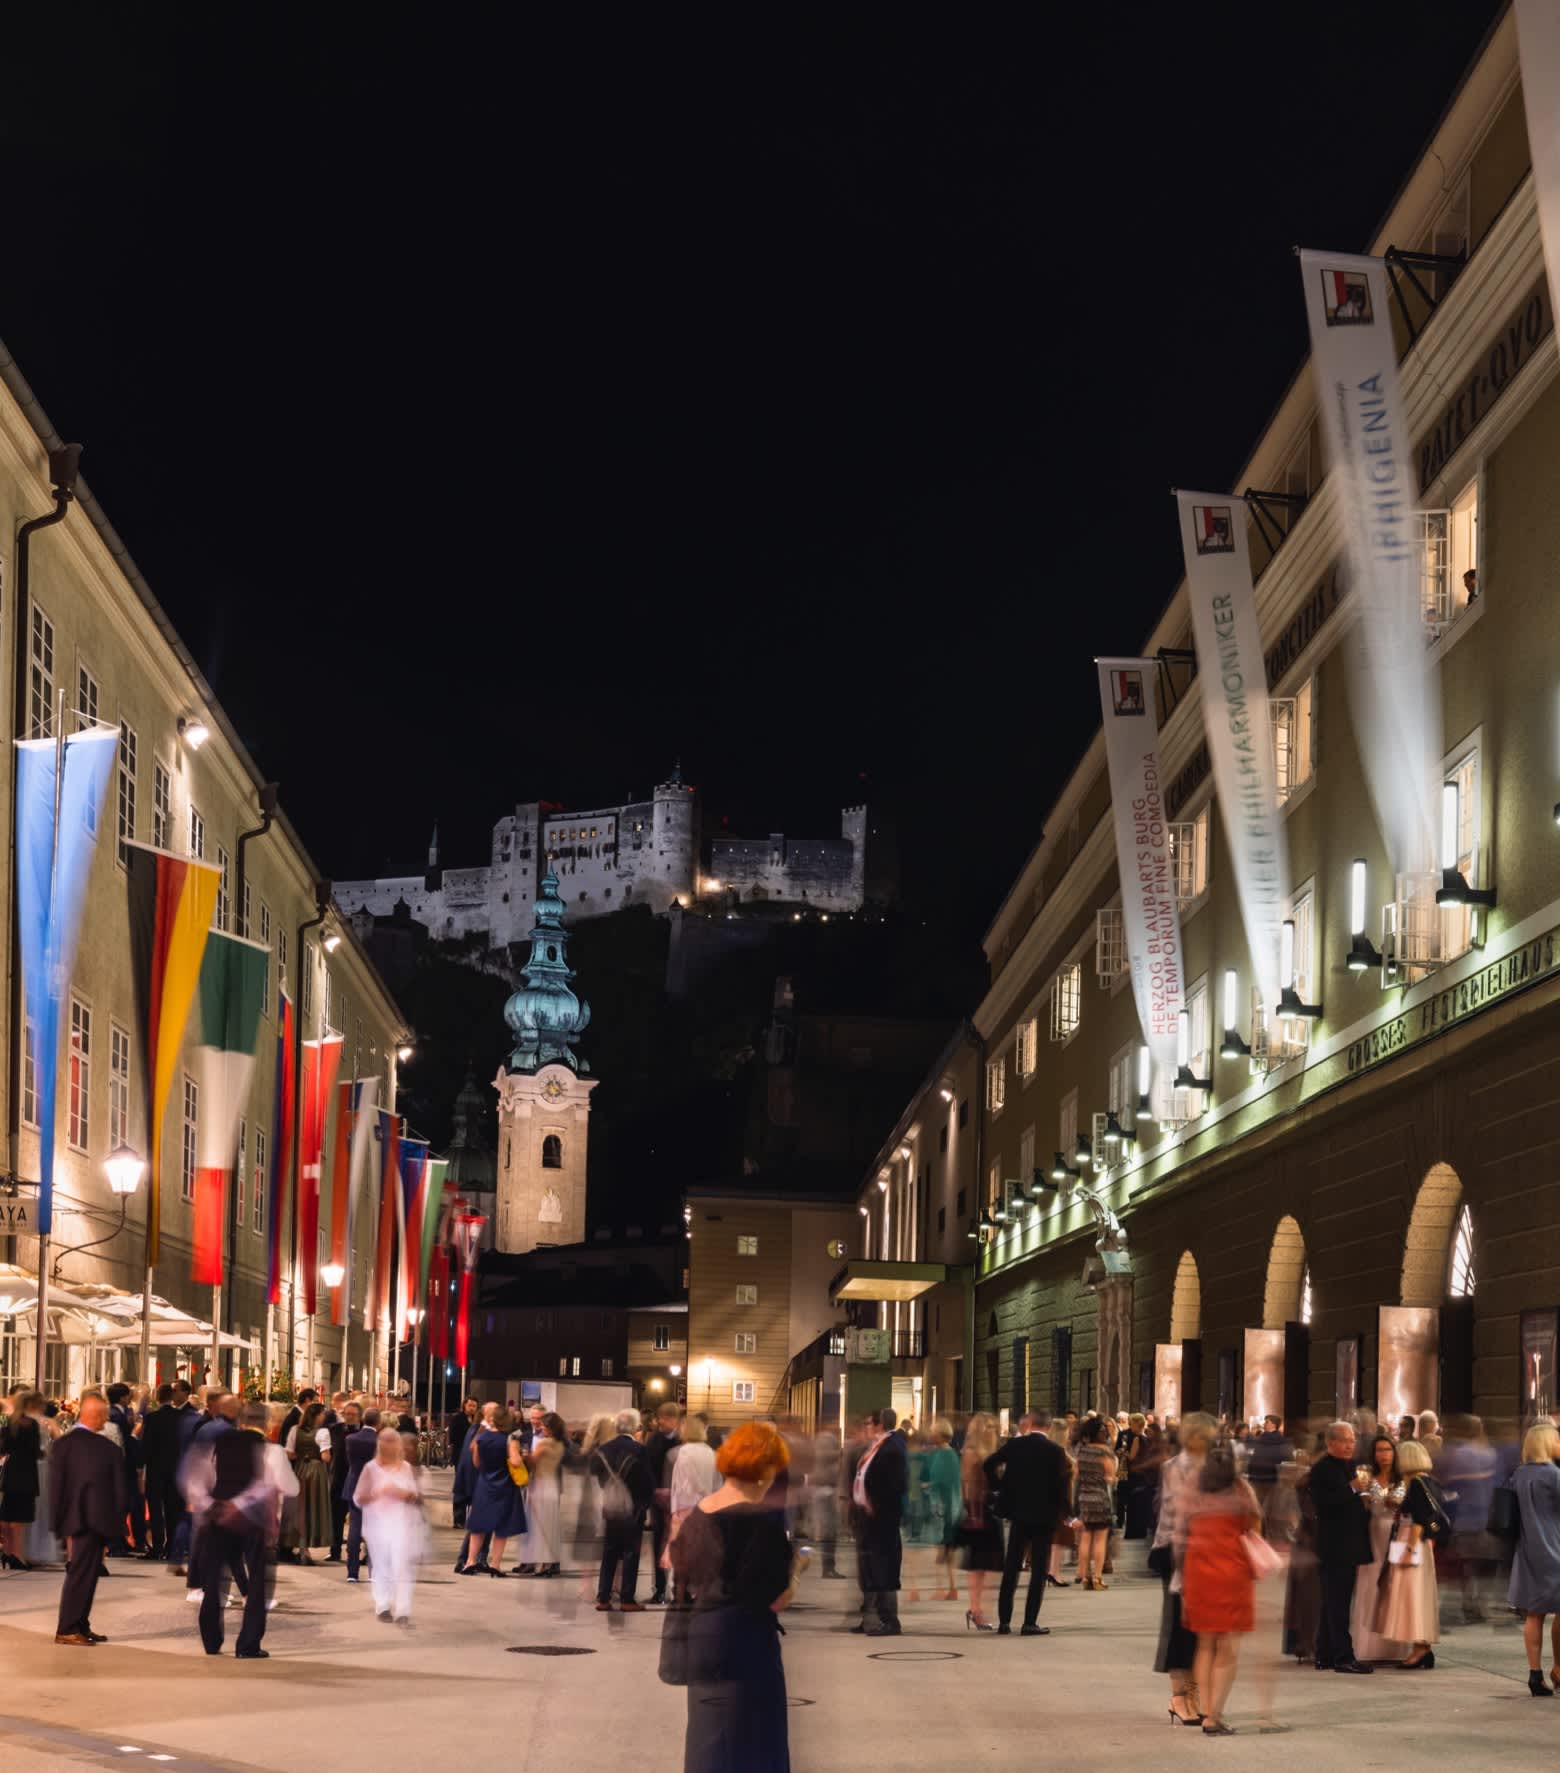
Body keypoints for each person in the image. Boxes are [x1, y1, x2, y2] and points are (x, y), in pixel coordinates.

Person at [671, 1420, 796, 1773]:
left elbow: (681, 1567)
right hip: (746, 1643)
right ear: (762, 1471)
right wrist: (796, 1571)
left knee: (709, 1738)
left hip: (703, 1636)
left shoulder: (702, 1510)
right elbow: (773, 1598)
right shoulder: (761, 1522)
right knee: (754, 1740)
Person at [184, 1402, 283, 1658]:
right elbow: (272, 1485)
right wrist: (238, 1504)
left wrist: (211, 1504)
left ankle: (211, 1641)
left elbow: (196, 1477)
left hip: (217, 1518)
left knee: (214, 1579)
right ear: (266, 1423)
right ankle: (247, 1645)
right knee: (258, 1580)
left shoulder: (221, 1442)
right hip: (252, 1521)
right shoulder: (267, 1449)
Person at [1181, 1444, 1262, 1736]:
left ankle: (1204, 1710)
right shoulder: (1242, 1490)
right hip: (1232, 1571)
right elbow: (1254, 1531)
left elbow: (1181, 1530)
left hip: (1198, 1570)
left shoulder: (1193, 1490)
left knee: (1204, 1645)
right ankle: (1215, 1715)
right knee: (1228, 1649)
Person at [982, 1407, 1068, 1636]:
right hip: (1044, 1516)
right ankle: (1030, 1622)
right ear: (1048, 1426)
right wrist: (1066, 1513)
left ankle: (1004, 1621)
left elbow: (989, 1464)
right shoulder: (1055, 1451)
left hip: (1018, 1513)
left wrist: (999, 1487)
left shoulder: (1015, 1445)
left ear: (1030, 1423)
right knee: (1039, 1569)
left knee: (1012, 1567)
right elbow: (1061, 1486)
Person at [1153, 1409, 1215, 1723]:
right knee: (1179, 1626)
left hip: (1207, 1552)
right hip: (1177, 1552)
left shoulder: (1217, 1468)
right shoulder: (1174, 1468)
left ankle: (1195, 1692)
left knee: (1200, 1628)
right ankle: (1180, 1696)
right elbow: (1178, 1512)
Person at [50, 1392, 126, 1646]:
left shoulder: (63, 1444)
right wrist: (118, 1523)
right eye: (103, 1415)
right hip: (97, 1520)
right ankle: (69, 1627)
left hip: (74, 1519)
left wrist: (57, 1522)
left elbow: (56, 1486)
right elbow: (119, 1491)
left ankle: (79, 1624)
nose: (106, 1419)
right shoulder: (108, 1449)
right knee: (83, 1574)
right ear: (95, 1416)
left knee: (84, 1573)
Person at [1309, 1419, 1376, 1674]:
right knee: (1337, 1603)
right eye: (1345, 1441)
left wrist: (1362, 1497)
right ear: (1331, 1443)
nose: (1350, 1445)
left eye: (1352, 1441)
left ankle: (1324, 1654)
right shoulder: (1322, 1469)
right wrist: (1352, 1488)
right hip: (1335, 1544)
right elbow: (1324, 1503)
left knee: (1332, 1601)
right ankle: (1343, 1658)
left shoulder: (1348, 1466)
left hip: (1347, 1543)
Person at [1373, 1437, 1445, 1669]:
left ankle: (1420, 1648)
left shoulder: (1415, 1483)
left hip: (1413, 1542)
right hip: (1421, 1545)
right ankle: (1423, 1647)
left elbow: (1419, 1520)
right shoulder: (1428, 1481)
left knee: (1412, 1596)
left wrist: (1410, 1549)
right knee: (1418, 1595)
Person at [354, 1425, 426, 1625]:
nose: (388, 1445)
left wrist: (404, 1494)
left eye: (392, 1441)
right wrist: (378, 1494)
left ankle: (403, 1609)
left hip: (401, 1524)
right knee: (381, 1565)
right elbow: (358, 1498)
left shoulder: (405, 1467)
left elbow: (415, 1495)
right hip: (377, 1524)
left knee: (402, 1566)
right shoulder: (371, 1468)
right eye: (384, 1441)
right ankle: (383, 1605)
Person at [1508, 1421, 1560, 1695]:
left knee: (1534, 1614)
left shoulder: (1519, 1474)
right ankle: (1559, 1668)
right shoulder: (1553, 1475)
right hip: (1555, 1547)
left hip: (1527, 1549)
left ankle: (1535, 1674)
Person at [851, 1406, 908, 1636]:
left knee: (883, 1567)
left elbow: (896, 1485)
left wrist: (878, 1505)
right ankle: (870, 1618)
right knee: (871, 1568)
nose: (866, 1427)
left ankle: (889, 1620)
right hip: (870, 1517)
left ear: (879, 1424)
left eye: (869, 1423)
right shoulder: (880, 1446)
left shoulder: (892, 1448)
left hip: (882, 1519)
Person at [1352, 1433, 1408, 1663]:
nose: (1383, 1455)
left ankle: (1394, 1646)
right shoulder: (1368, 1477)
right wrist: (1362, 1496)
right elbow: (1363, 1505)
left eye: (1387, 1450)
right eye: (1379, 1451)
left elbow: (1405, 1505)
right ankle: (1367, 1645)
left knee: (1393, 1585)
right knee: (1370, 1581)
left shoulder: (1403, 1479)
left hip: (1396, 1533)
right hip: (1372, 1532)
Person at [592, 1407, 653, 1610]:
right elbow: (647, 1482)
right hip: (633, 1508)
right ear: (636, 1427)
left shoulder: (604, 1449)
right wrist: (644, 1505)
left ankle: (603, 1598)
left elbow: (597, 1475)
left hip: (611, 1506)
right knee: (630, 1552)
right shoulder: (640, 1450)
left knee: (609, 1550)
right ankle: (627, 1599)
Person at [958, 1412, 1003, 1628]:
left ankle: (979, 1609)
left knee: (988, 1565)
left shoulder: (991, 1452)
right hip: (978, 1512)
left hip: (989, 1510)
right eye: (989, 1427)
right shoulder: (972, 1452)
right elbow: (968, 1484)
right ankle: (976, 1609)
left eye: (994, 1427)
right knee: (978, 1565)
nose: (993, 1431)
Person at [667, 1413, 720, 1582]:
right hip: (708, 1508)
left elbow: (680, 1484)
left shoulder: (684, 1452)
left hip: (686, 1507)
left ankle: (682, 1591)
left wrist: (674, 1511)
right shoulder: (711, 1453)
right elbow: (717, 1482)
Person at [643, 1400, 683, 1602]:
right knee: (660, 1543)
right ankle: (659, 1589)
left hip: (681, 1500)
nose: (661, 1422)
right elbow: (647, 1469)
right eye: (661, 1418)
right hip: (660, 1500)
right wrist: (655, 1492)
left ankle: (680, 1590)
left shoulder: (683, 1441)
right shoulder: (654, 1441)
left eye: (666, 1418)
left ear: (675, 1420)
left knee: (681, 1544)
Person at [283, 1400, 333, 1563]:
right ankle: (308, 1547)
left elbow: (289, 1453)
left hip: (299, 1471)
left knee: (300, 1509)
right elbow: (326, 1457)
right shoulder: (322, 1432)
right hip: (316, 1472)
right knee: (313, 1508)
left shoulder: (294, 1430)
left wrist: (301, 1456)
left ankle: (301, 1547)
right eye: (322, 1413)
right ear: (317, 1416)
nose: (324, 1416)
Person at [1073, 1415, 1118, 1590]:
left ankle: (1085, 1577)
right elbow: (1110, 1477)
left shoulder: (1082, 1452)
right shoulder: (1105, 1452)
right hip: (1100, 1498)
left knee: (1085, 1538)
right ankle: (1097, 1578)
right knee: (1100, 1539)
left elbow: (1076, 1475)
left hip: (1084, 1497)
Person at [1, 1388, 44, 1569]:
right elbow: (35, 1451)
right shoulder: (31, 1424)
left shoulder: (11, 1422)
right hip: (25, 1472)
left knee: (8, 1514)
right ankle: (18, 1555)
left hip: (11, 1471)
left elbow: (5, 1448)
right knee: (20, 1517)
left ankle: (8, 1552)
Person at [518, 1411, 566, 1576]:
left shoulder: (544, 1444)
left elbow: (532, 1463)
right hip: (552, 1486)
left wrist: (524, 1454)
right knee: (550, 1526)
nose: (541, 1427)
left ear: (550, 1428)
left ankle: (543, 1566)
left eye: (544, 1425)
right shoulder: (560, 1444)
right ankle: (548, 1564)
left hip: (540, 1486)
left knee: (539, 1527)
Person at [343, 1407, 380, 1583]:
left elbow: (350, 1462)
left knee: (354, 1529)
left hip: (354, 1486)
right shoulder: (380, 1442)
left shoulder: (351, 1439)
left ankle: (352, 1572)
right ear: (378, 1423)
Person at [326, 1399, 360, 1563]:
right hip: (338, 1479)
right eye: (347, 1414)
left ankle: (355, 1552)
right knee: (336, 1518)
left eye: (353, 1414)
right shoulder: (334, 1429)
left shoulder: (362, 1432)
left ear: (359, 1416)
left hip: (357, 1480)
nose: (349, 1417)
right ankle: (335, 1551)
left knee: (357, 1520)